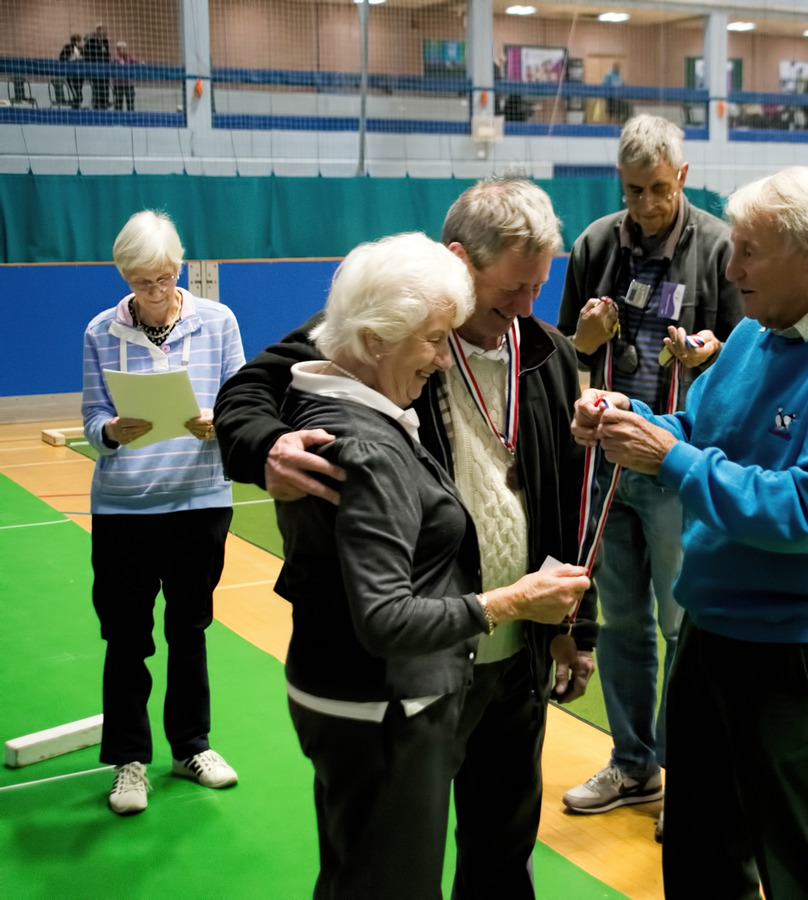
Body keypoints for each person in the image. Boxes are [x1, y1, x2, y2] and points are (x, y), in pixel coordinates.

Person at [214, 175, 598, 898]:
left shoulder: (544, 351)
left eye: (537, 288)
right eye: (510, 290)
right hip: (420, 659)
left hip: (514, 652)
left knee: (503, 844)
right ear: (459, 261)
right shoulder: (388, 327)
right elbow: (244, 393)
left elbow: (567, 499)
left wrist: (577, 625)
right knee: (392, 858)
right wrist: (266, 445)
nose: (525, 307)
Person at [570, 166, 808, 899]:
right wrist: (627, 424)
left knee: (799, 866)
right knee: (698, 850)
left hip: (789, 654)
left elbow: (804, 511)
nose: (729, 270)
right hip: (705, 639)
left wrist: (672, 459)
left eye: (749, 253)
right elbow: (698, 431)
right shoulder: (751, 339)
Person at [557, 115, 742, 836]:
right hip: (607, 461)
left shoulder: (722, 246)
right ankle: (634, 765)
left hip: (675, 462)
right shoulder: (594, 245)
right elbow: (568, 350)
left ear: (683, 178)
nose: (645, 204)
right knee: (625, 623)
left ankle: (690, 778)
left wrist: (708, 354)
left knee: (679, 623)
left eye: (658, 190)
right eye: (633, 191)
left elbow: (745, 359)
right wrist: (586, 339)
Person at [82, 210, 246, 815]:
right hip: (125, 507)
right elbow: (91, 420)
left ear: (181, 265)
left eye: (166, 276)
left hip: (199, 502)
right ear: (124, 276)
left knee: (189, 628)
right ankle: (128, 760)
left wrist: (219, 421)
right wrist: (114, 431)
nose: (156, 291)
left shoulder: (219, 321)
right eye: (142, 282)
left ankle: (190, 746)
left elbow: (242, 400)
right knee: (126, 637)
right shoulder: (100, 331)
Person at [83, 23, 111, 110]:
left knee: (105, 88)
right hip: (94, 69)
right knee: (97, 88)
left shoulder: (105, 41)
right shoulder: (91, 41)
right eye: (103, 29)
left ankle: (104, 105)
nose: (106, 32)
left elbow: (106, 54)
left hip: (104, 70)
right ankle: (96, 106)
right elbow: (87, 55)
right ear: (98, 30)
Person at [58, 33, 84, 108]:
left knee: (79, 96)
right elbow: (61, 59)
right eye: (80, 41)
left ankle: (76, 109)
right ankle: (75, 111)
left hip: (80, 76)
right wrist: (72, 58)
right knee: (77, 96)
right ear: (76, 42)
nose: (82, 43)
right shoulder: (67, 48)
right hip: (71, 76)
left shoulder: (82, 50)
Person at [112, 40, 138, 111]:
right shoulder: (116, 58)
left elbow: (137, 62)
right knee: (118, 104)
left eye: (125, 48)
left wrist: (141, 63)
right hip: (118, 85)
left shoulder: (129, 57)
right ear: (118, 49)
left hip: (129, 84)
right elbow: (122, 64)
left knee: (130, 103)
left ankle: (131, 118)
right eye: (121, 48)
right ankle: (118, 119)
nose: (124, 50)